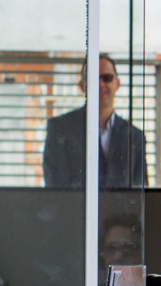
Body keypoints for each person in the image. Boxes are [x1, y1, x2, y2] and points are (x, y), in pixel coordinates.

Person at [43, 55, 148, 188]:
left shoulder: (135, 137)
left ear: (117, 83)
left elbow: (140, 190)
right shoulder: (59, 129)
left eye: (107, 78)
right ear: (82, 86)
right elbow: (54, 187)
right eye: (92, 79)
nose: (100, 84)